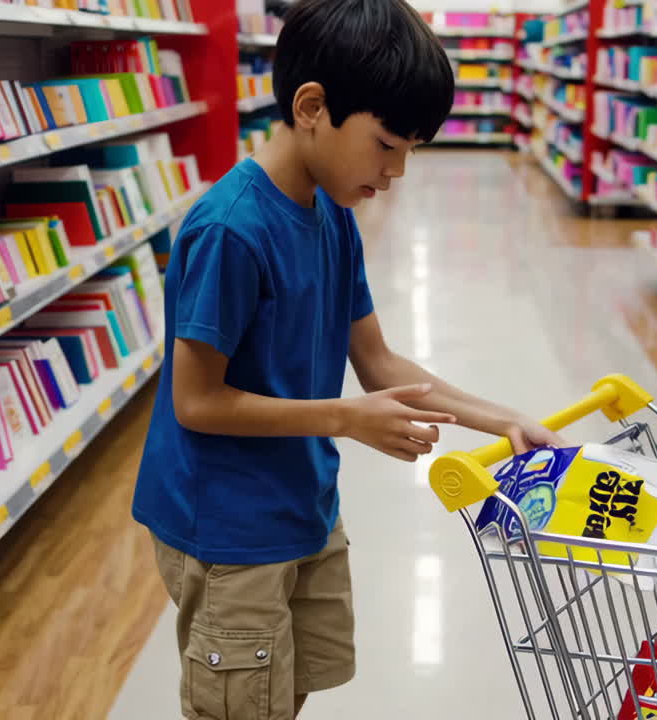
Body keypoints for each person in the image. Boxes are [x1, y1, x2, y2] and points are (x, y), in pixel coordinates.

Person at [132, 0, 561, 716]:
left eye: (409, 152)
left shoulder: (331, 213)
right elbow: (194, 402)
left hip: (303, 501)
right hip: (229, 525)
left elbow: (379, 363)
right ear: (311, 107)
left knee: (286, 689)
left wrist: (504, 420)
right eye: (386, 145)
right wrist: (344, 419)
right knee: (242, 703)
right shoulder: (231, 232)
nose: (395, 172)